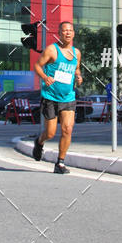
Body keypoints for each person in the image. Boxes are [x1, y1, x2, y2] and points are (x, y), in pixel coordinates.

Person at [32, 21, 83, 174]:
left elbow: (77, 69)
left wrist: (79, 77)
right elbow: (37, 66)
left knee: (67, 129)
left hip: (68, 97)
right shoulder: (52, 50)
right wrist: (45, 77)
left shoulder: (76, 53)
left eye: (70, 30)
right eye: (64, 30)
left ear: (73, 33)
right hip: (51, 97)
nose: (68, 33)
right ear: (59, 33)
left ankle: (60, 163)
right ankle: (39, 142)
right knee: (51, 133)